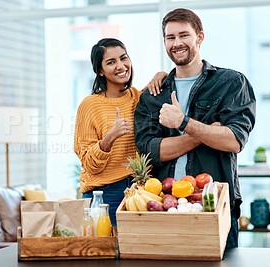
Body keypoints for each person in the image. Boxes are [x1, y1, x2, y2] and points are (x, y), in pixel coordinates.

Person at [134, 8, 256, 248]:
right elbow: (152, 152)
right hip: (163, 206)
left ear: (200, 36)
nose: (177, 43)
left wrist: (183, 123)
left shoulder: (230, 83)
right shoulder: (153, 95)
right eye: (170, 37)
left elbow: (233, 141)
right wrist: (206, 132)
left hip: (213, 205)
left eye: (184, 35)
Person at [74, 38, 165, 227]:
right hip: (105, 194)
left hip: (141, 189)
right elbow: (90, 165)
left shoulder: (138, 99)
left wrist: (161, 74)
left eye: (124, 58)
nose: (121, 66)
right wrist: (109, 139)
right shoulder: (89, 105)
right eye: (111, 62)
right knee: (107, 253)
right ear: (100, 71)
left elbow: (159, 85)